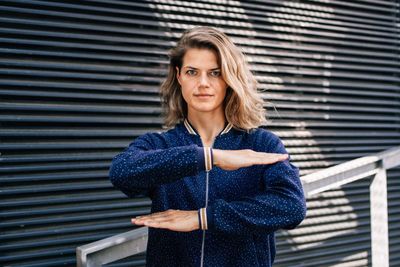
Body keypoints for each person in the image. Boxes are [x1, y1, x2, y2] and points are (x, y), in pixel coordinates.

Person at [109, 26, 306, 267]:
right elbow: (121, 172)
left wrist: (203, 218)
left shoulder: (260, 144)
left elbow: (291, 206)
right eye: (192, 72)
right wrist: (208, 157)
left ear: (228, 79)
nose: (203, 83)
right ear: (179, 75)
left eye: (214, 73)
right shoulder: (160, 144)